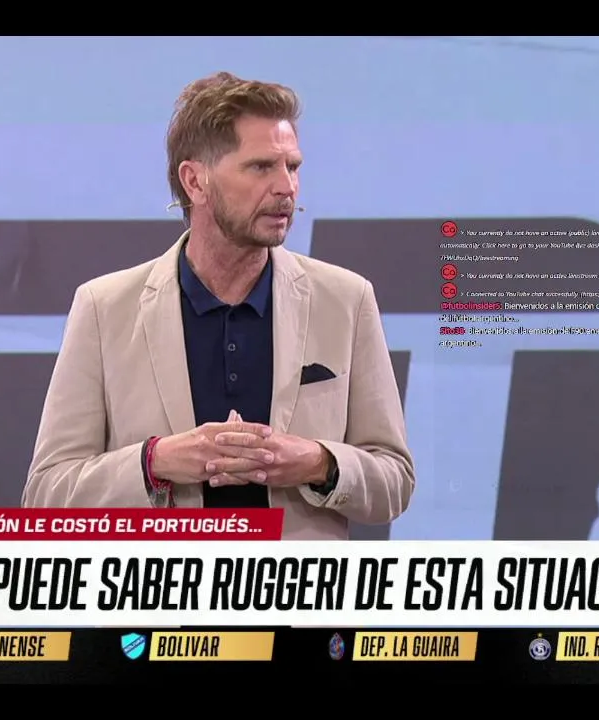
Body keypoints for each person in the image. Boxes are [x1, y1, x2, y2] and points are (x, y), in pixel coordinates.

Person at [23, 72, 414, 539]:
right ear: (195, 181)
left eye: (292, 166)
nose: (286, 187)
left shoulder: (346, 299)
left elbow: (394, 480)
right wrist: (154, 462)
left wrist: (317, 462)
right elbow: (47, 494)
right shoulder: (104, 309)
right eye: (260, 167)